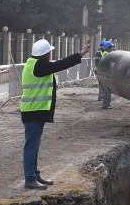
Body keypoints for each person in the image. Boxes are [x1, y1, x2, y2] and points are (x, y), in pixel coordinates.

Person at [21, 37, 91, 190]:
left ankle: (34, 175)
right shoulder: (39, 67)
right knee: (31, 146)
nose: (51, 55)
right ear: (45, 54)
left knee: (34, 145)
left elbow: (56, 65)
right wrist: (81, 53)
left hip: (34, 111)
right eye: (49, 53)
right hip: (34, 111)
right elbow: (61, 64)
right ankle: (30, 179)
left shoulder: (33, 64)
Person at [93, 39, 114, 109]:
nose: (112, 49)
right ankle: (105, 103)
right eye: (111, 47)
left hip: (103, 72)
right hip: (102, 72)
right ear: (107, 47)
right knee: (106, 87)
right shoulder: (100, 53)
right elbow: (97, 63)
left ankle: (103, 100)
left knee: (104, 86)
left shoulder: (105, 53)